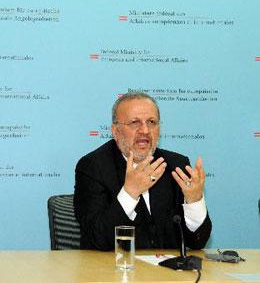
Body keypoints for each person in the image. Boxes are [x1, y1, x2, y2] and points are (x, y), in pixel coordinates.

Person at [74, 92, 211, 250]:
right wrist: (130, 193)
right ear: (115, 131)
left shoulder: (175, 165)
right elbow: (97, 239)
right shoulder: (93, 166)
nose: (145, 130)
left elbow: (197, 242)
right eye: (134, 123)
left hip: (167, 272)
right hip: (115, 270)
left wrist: (194, 201)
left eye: (151, 122)